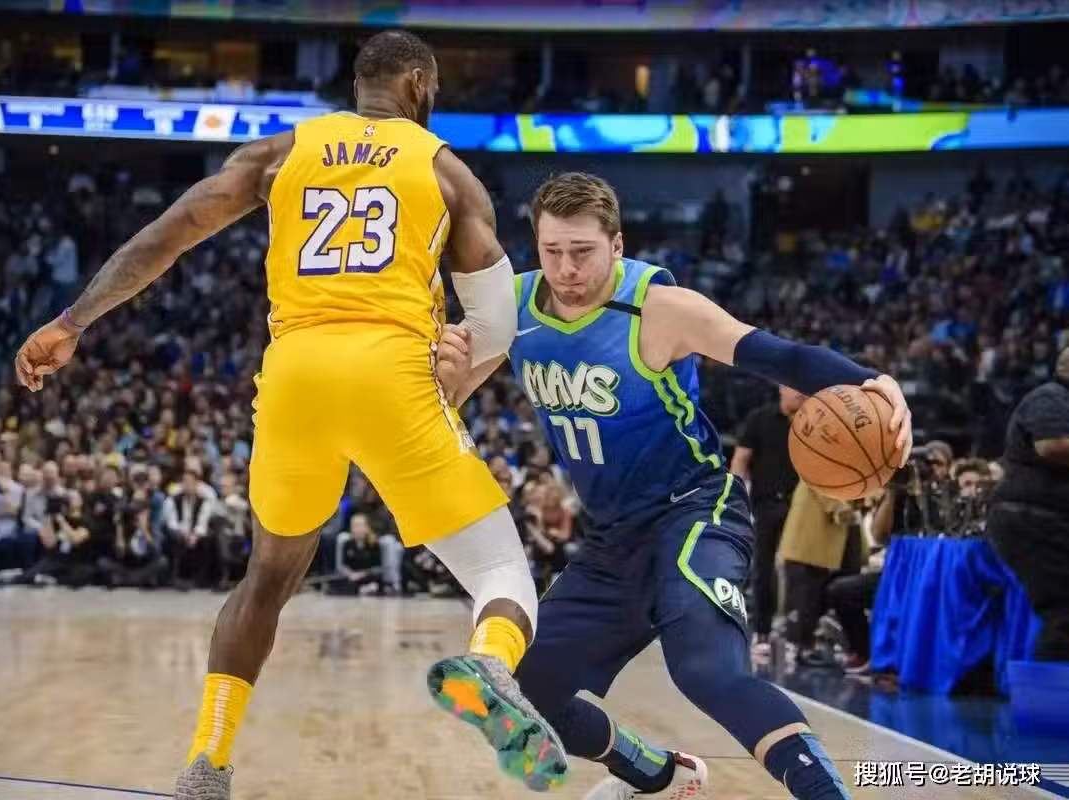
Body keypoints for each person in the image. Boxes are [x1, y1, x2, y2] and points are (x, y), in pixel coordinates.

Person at [14, 29, 566, 799]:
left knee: (267, 578)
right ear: (416, 83)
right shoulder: (445, 171)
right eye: (434, 88)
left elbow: (169, 234)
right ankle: (490, 665)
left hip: (294, 377)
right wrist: (455, 386)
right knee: (500, 570)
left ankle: (207, 761)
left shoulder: (279, 154)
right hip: (391, 373)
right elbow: (498, 322)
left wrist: (73, 321)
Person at [438, 172, 912, 799]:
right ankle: (660, 774)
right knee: (518, 695)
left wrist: (873, 379)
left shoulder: (659, 307)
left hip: (694, 510)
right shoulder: (515, 306)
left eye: (583, 251)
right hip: (613, 537)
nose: (567, 269)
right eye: (552, 251)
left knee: (706, 671)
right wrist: (446, 373)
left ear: (617, 245)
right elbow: (447, 398)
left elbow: (779, 356)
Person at [987, 344, 1069, 661]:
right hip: (1033, 517)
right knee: (1063, 611)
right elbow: (1053, 445)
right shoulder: (1050, 397)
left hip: (1045, 517)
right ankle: (1051, 689)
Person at [730, 385, 803, 656]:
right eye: (794, 388)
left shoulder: (814, 422)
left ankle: (797, 635)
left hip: (801, 505)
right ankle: (761, 630)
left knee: (799, 570)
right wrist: (736, 497)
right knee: (763, 567)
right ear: (782, 388)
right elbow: (741, 459)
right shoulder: (759, 419)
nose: (800, 393)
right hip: (766, 502)